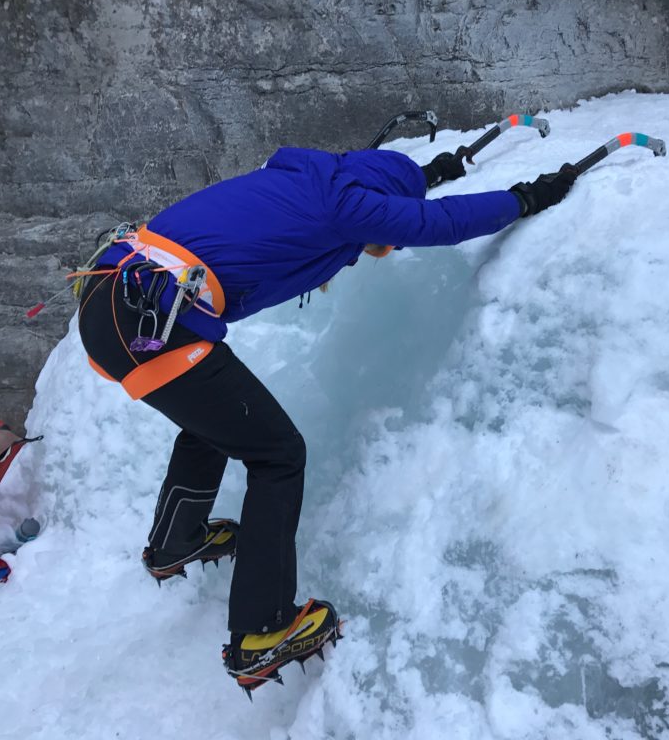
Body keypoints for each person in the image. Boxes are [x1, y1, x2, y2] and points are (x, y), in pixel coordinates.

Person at [75, 145, 575, 695]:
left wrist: (426, 172)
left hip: (113, 296)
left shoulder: (303, 177)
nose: (377, 248)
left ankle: (177, 541)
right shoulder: (347, 205)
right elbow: (442, 221)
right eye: (382, 237)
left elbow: (375, 195)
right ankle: (262, 630)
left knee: (215, 415)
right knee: (278, 455)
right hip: (153, 320)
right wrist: (523, 198)